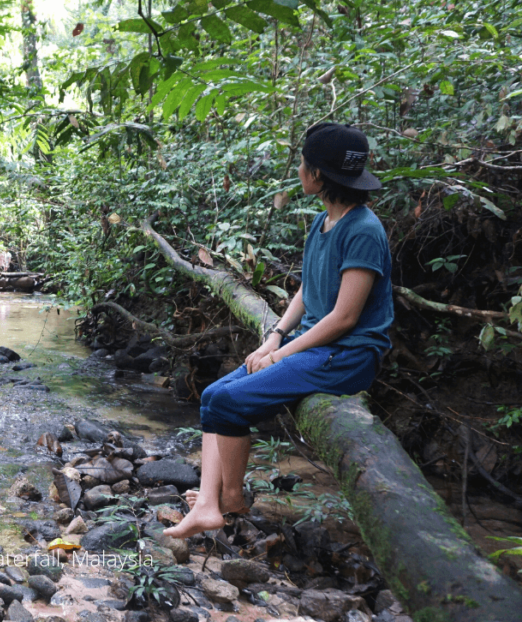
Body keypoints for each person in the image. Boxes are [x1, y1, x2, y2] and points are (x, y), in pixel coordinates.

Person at [165, 123, 394, 540]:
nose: (300, 171)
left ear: (317, 175)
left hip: (347, 355)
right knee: (214, 396)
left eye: (304, 164)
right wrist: (275, 335)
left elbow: (344, 319)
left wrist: (281, 355)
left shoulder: (363, 230)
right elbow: (309, 288)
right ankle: (205, 505)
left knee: (230, 402)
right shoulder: (323, 222)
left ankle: (230, 499)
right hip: (315, 346)